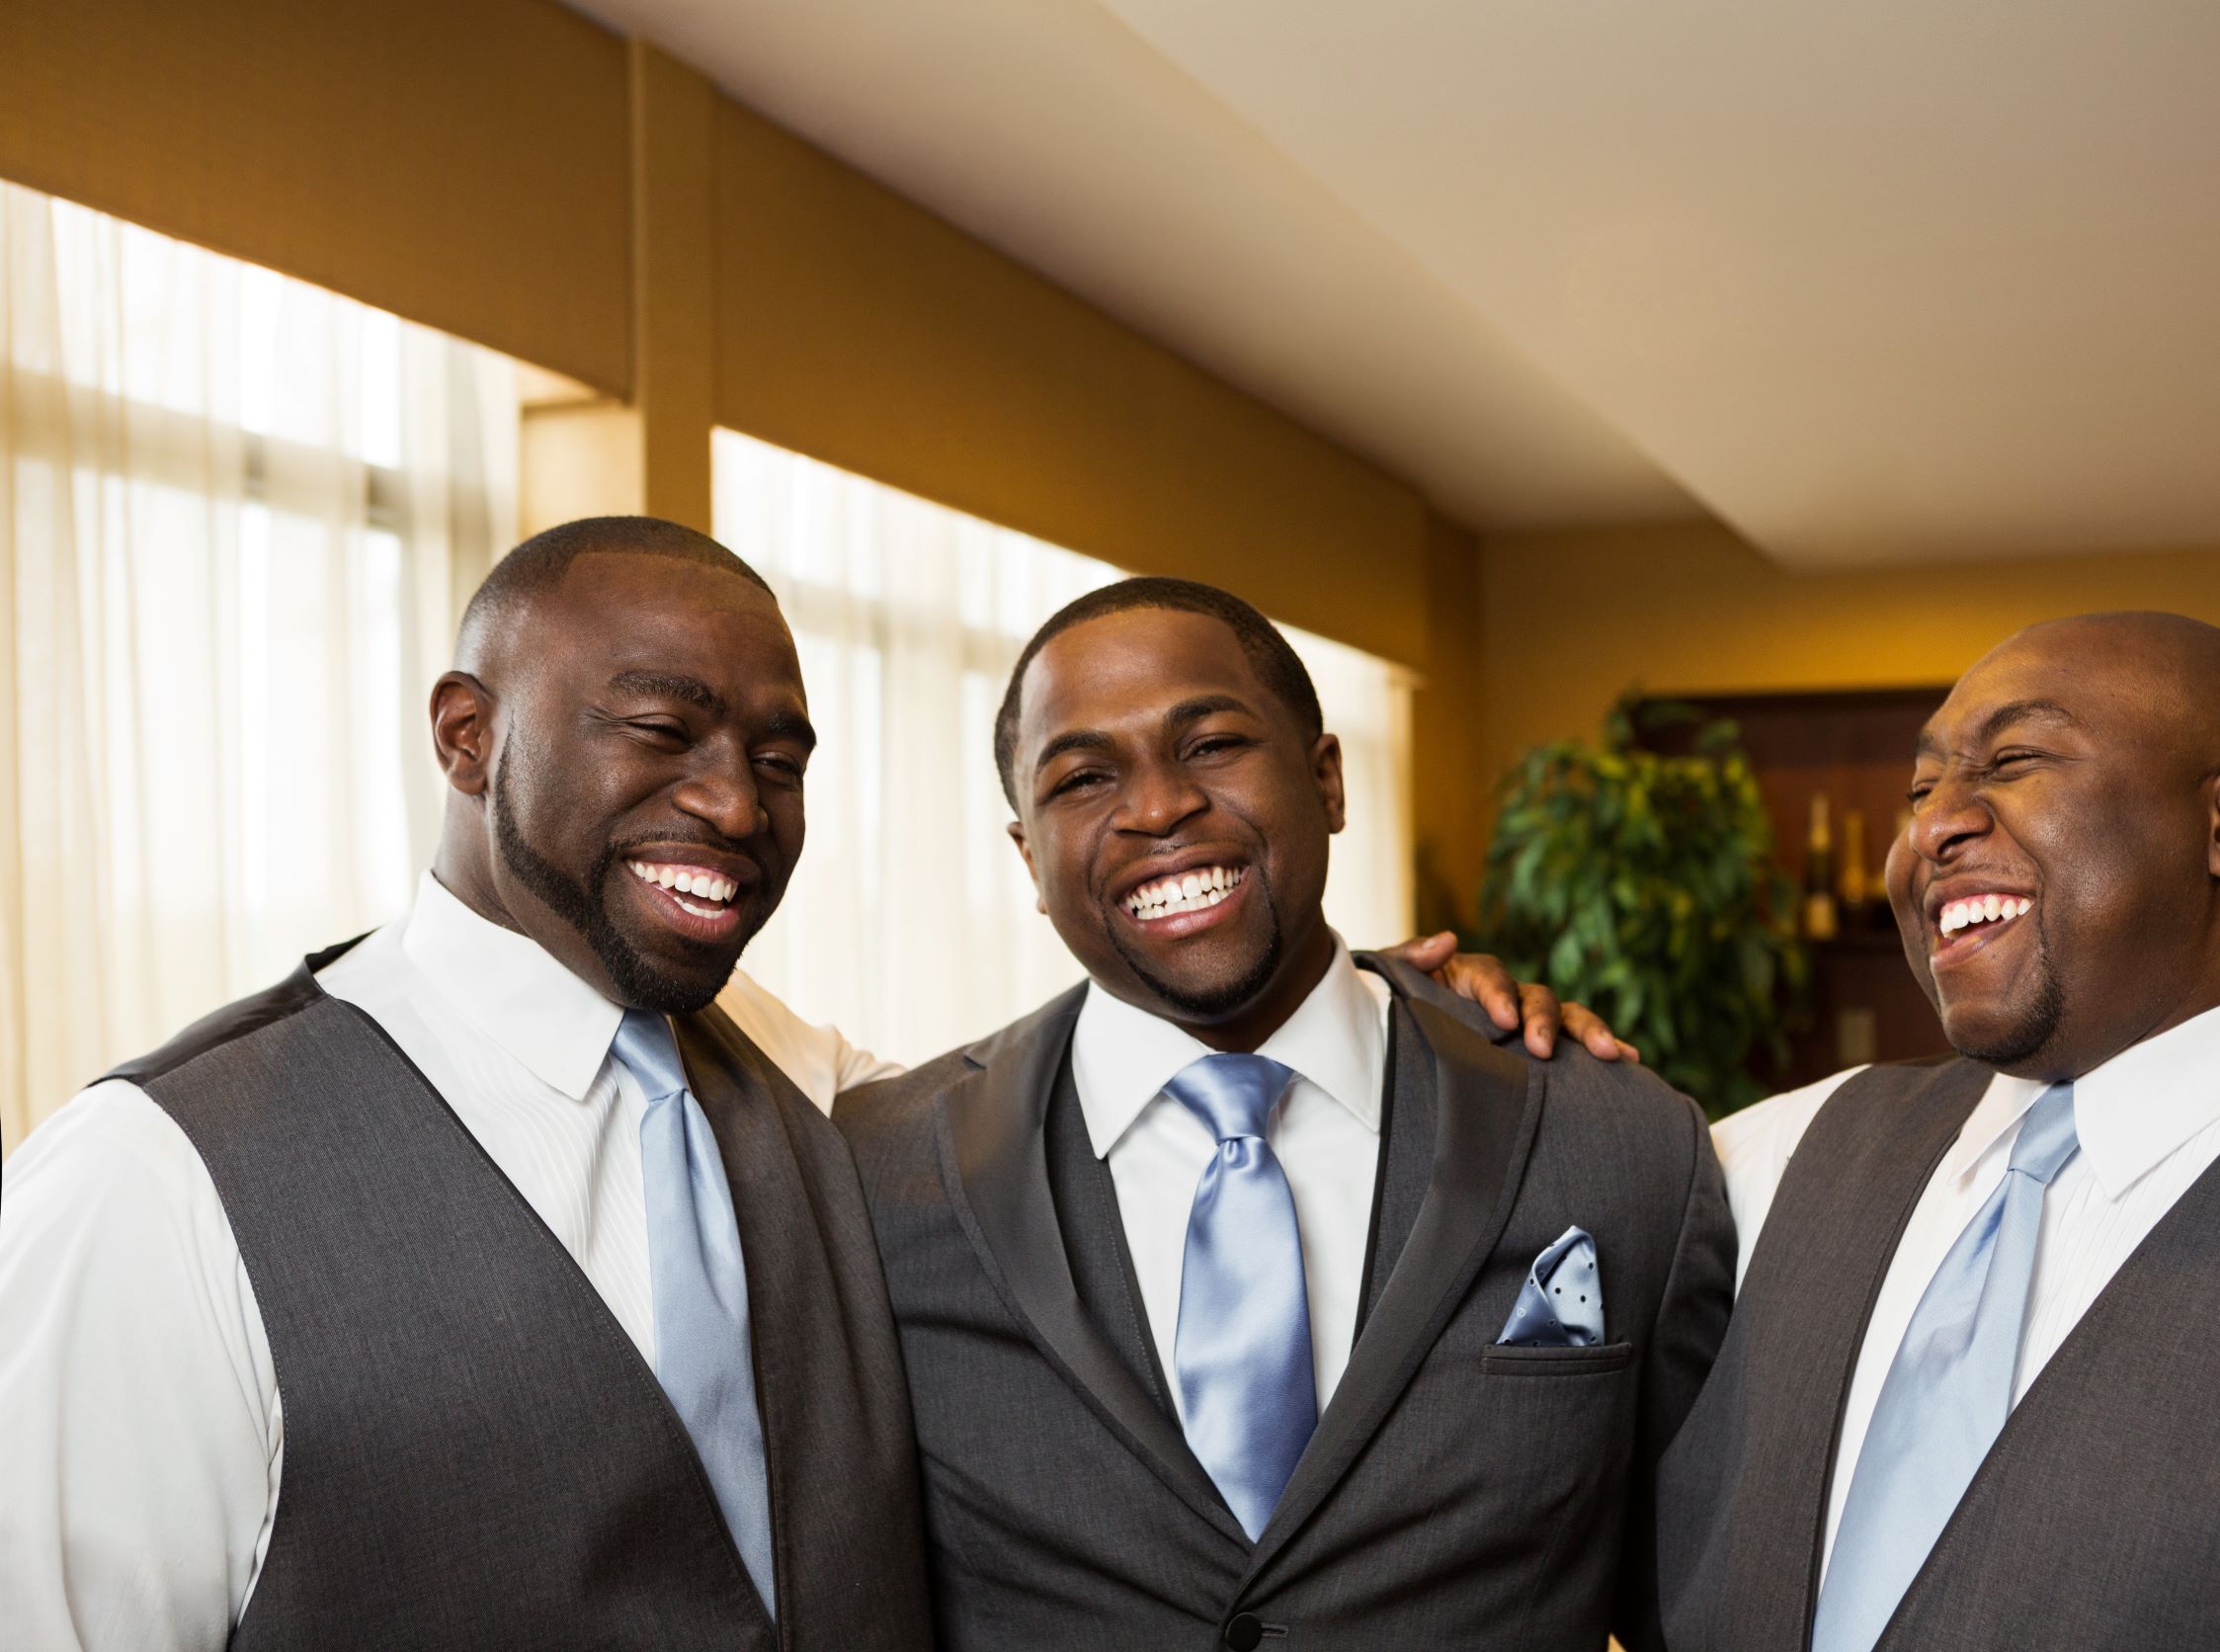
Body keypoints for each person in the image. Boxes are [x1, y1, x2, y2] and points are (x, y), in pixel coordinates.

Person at [0, 518, 1596, 1651]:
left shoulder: (813, 1090)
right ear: (469, 737)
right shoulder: (149, 1177)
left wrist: (1369, 999)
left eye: (779, 757)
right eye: (660, 730)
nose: (733, 804)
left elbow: (1124, 1077)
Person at [834, 578, 1736, 1651]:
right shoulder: (877, 1174)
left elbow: (1712, 1596)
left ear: (1327, 780)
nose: (1159, 806)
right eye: (1082, 776)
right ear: (1029, 857)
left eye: (1211, 744)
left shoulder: (1622, 1139)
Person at [1659, 613, 2220, 1652]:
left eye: (2013, 760)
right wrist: (1441, 1023)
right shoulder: (1772, 1156)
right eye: (1920, 792)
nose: (1931, 828)